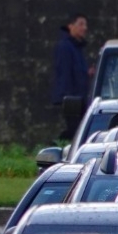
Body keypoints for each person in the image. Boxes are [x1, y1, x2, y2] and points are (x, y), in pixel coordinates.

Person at [52, 12, 93, 140]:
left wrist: (87, 73)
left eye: (85, 25)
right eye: (81, 24)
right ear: (71, 26)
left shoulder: (77, 47)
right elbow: (65, 74)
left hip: (79, 99)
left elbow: (77, 71)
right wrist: (69, 100)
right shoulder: (65, 47)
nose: (84, 28)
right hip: (73, 100)